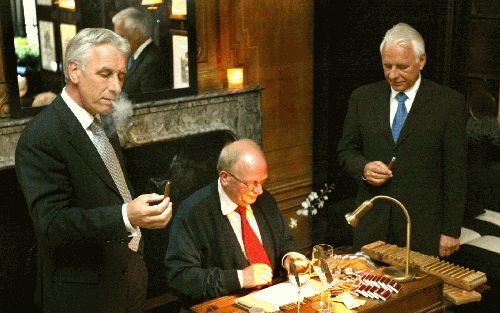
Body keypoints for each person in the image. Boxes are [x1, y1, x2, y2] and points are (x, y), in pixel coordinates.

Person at [15, 28, 173, 313]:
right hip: (83, 297)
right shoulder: (41, 136)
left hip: (127, 278)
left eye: (121, 76)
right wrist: (127, 216)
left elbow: (110, 191)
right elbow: (52, 225)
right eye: (105, 74)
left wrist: (143, 216)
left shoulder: (102, 123)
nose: (116, 87)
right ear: (74, 70)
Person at [336, 23, 467, 257]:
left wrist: (451, 230)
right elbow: (346, 151)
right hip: (371, 226)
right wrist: (364, 168)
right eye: (387, 66)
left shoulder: (449, 104)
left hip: (422, 231)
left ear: (422, 61)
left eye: (402, 67)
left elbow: (456, 172)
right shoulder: (362, 98)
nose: (393, 75)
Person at [165, 139, 308, 304]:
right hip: (225, 304)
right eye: (251, 183)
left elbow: (284, 241)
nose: (259, 191)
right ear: (225, 177)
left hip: (272, 298)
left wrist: (289, 258)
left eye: (263, 181)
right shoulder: (193, 212)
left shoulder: (263, 200)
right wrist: (239, 278)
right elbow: (180, 277)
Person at [112, 6, 169, 95]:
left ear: (136, 34)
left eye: (121, 36)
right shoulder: (132, 57)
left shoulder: (153, 62)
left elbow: (149, 102)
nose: (117, 42)